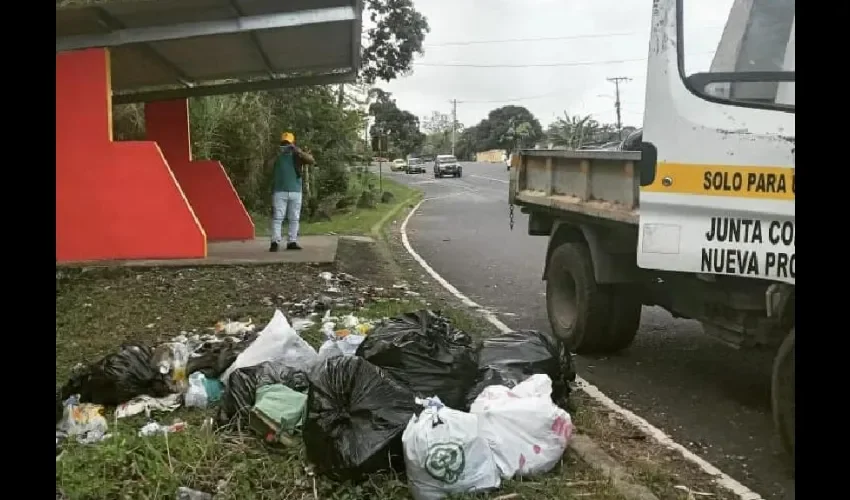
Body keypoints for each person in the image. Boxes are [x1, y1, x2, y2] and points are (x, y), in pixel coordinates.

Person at [269, 131, 315, 252]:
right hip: (280, 191)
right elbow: (268, 166)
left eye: (288, 143)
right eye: (284, 143)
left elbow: (311, 160)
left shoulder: (297, 156)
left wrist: (298, 151)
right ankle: (275, 241)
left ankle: (292, 241)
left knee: (294, 218)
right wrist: (277, 154)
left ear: (293, 143)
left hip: (295, 191)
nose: (286, 146)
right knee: (278, 217)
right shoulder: (277, 156)